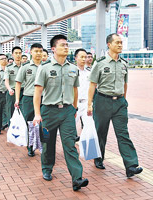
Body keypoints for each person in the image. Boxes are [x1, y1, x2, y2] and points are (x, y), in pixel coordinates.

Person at [33, 34, 88, 191]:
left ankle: (77, 178)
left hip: (67, 113)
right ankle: (47, 169)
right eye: (63, 45)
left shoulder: (73, 69)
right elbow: (37, 93)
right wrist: (37, 114)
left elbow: (75, 90)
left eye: (67, 44)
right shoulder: (44, 68)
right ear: (53, 49)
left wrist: (74, 108)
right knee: (48, 143)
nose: (66, 47)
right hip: (48, 112)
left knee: (70, 144)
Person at [87, 33, 143, 178]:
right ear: (109, 44)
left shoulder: (124, 63)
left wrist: (124, 99)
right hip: (102, 101)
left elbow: (125, 84)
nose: (120, 45)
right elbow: (92, 84)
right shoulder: (99, 63)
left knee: (123, 134)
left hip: (119, 103)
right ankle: (98, 158)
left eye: (121, 43)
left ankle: (131, 165)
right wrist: (89, 104)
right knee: (101, 132)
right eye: (117, 42)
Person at [15, 43, 43, 157]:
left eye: (40, 51)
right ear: (31, 52)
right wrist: (17, 99)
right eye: (36, 51)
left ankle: (44, 147)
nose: (38, 53)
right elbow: (18, 83)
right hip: (28, 98)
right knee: (30, 124)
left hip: (44, 99)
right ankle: (30, 146)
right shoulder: (25, 67)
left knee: (44, 124)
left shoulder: (46, 66)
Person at [4, 46, 22, 125]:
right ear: (12, 55)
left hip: (23, 92)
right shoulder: (8, 67)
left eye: (19, 53)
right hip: (12, 92)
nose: (18, 55)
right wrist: (9, 89)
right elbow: (6, 81)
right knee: (11, 112)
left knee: (23, 112)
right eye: (16, 53)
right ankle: (11, 130)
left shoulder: (25, 66)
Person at [74, 49, 91, 133]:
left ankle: (84, 144)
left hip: (86, 104)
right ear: (76, 58)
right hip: (74, 104)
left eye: (85, 57)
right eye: (82, 57)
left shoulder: (89, 73)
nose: (84, 59)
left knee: (89, 128)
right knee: (70, 128)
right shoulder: (71, 71)